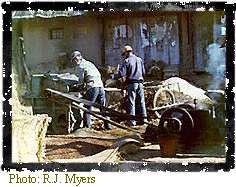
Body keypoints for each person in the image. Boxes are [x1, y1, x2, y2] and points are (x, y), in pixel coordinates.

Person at [71, 50, 112, 130]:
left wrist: (77, 87)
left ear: (76, 59)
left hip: (93, 87)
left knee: (87, 106)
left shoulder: (80, 66)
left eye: (74, 60)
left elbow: (81, 81)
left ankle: (87, 127)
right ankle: (108, 126)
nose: (74, 62)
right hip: (100, 86)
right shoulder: (90, 63)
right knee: (103, 108)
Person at [112, 45, 147, 127]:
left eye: (124, 54)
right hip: (140, 83)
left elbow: (121, 74)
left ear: (126, 53)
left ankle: (132, 122)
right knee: (142, 101)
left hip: (132, 83)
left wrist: (113, 76)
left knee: (131, 102)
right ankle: (144, 120)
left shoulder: (127, 61)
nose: (124, 56)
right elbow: (144, 72)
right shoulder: (139, 59)